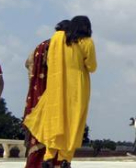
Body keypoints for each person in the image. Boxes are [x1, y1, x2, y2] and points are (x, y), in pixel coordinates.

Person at [24, 16, 97, 168]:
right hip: (77, 87)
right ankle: (65, 158)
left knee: (54, 119)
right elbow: (92, 66)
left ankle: (48, 156)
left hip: (56, 85)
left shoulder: (57, 38)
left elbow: (49, 59)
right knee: (73, 122)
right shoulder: (86, 41)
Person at [23, 20, 70, 168]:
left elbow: (28, 63)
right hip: (55, 102)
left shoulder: (40, 46)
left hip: (38, 101)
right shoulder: (63, 46)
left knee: (37, 141)